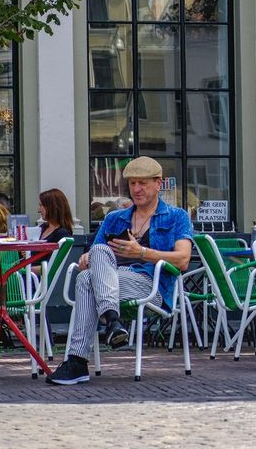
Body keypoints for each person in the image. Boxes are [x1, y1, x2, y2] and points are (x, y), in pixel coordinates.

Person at [47, 157, 193, 385]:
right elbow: (96, 253)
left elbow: (183, 260)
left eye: (143, 183)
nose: (137, 189)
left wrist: (141, 252)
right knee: (90, 268)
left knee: (87, 279)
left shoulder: (177, 217)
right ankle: (113, 323)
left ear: (158, 183)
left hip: (150, 284)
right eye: (133, 183)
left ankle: (77, 361)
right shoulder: (114, 218)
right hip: (112, 282)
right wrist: (87, 257)